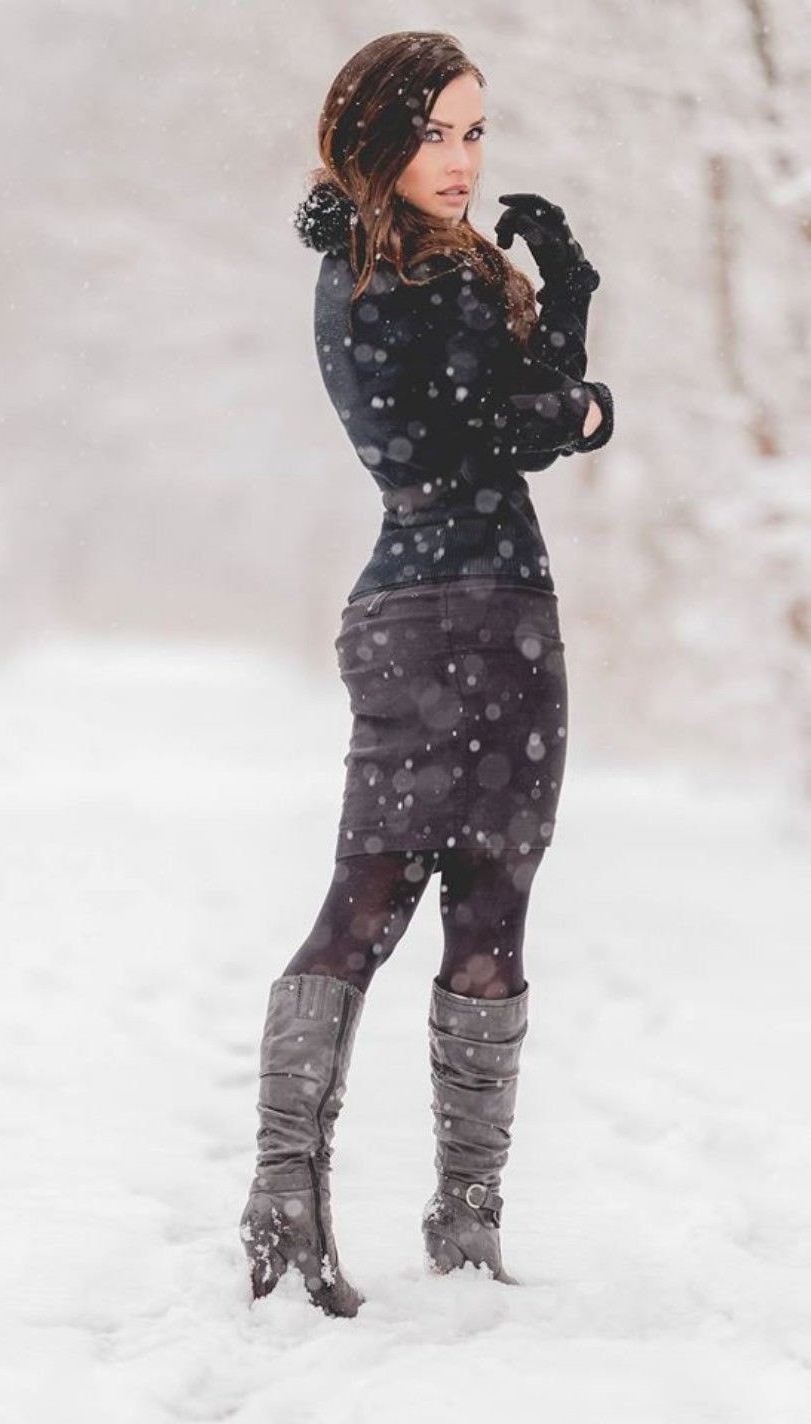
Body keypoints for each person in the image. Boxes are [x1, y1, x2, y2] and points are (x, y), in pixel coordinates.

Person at [238, 30, 615, 1317]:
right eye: (436, 131)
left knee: (439, 906)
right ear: (377, 132)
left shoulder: (389, 268)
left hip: (446, 608)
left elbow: (503, 408)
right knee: (427, 907)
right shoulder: (396, 273)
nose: (459, 160)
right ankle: (358, 1219)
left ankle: (415, 1225)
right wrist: (584, 398)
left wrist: (562, 296)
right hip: (472, 614)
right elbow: (507, 422)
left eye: (476, 133)